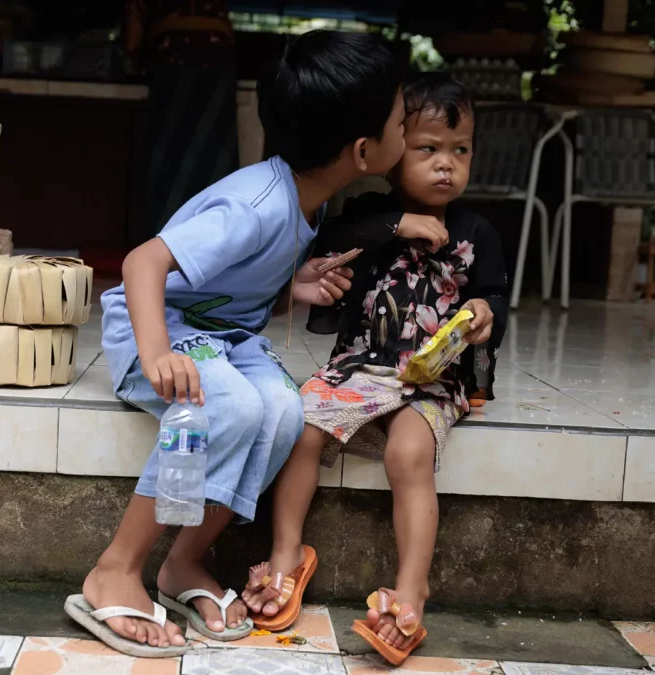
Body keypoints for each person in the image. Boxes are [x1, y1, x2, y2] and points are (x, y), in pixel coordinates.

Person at [64, 30, 408, 657]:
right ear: (363, 151)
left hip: (219, 337)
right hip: (158, 330)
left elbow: (226, 287)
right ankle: (116, 566)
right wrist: (157, 354)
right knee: (230, 406)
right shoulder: (255, 206)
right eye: (402, 121)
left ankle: (183, 563)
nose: (406, 131)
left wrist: (291, 288)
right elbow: (144, 264)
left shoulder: (307, 199)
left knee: (282, 411)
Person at [241, 74, 509, 666]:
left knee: (407, 453)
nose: (446, 165)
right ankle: (288, 554)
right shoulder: (367, 214)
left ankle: (412, 587)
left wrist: (485, 311)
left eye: (459, 150)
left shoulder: (478, 233)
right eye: (427, 149)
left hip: (433, 377)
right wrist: (397, 225)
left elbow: (492, 294)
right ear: (387, 156)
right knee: (300, 427)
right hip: (360, 367)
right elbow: (328, 241)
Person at [124, 0, 240, 239]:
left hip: (172, 64)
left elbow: (132, 41)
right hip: (218, 61)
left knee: (169, 157)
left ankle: (166, 241)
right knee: (212, 154)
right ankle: (214, 239)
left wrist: (133, 56)